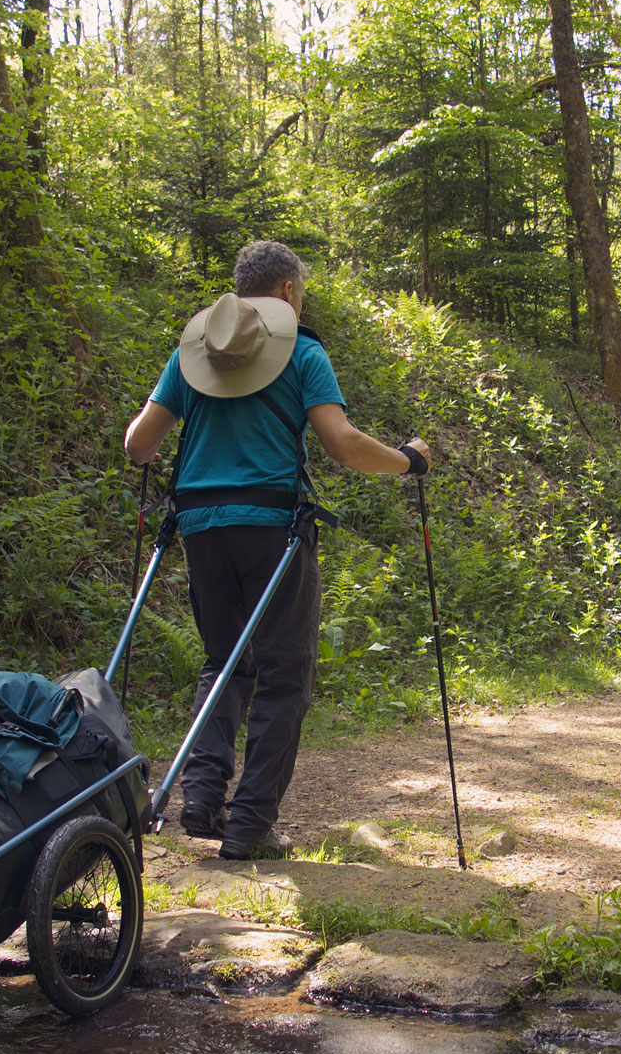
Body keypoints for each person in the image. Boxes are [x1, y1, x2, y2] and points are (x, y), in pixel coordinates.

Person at [124, 241, 431, 860]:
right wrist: (408, 461)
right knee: (285, 674)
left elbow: (138, 446)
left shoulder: (190, 357)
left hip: (200, 526)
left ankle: (202, 799)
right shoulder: (303, 353)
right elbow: (342, 444)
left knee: (224, 661)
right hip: (274, 529)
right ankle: (249, 827)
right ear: (289, 292)